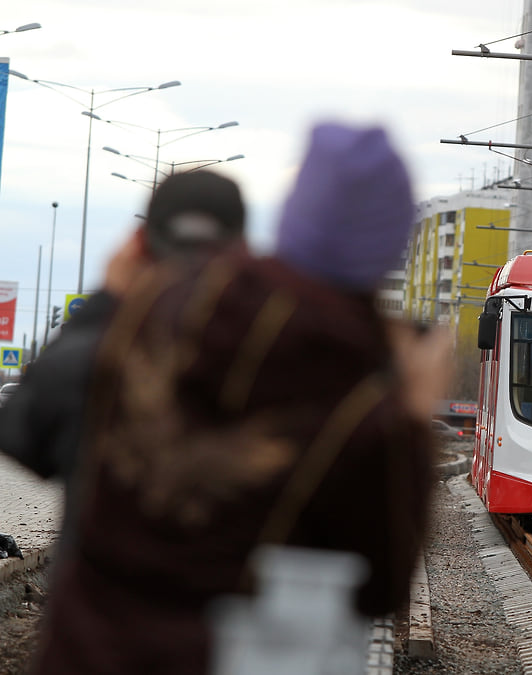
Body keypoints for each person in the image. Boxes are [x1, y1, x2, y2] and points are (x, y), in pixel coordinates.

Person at [27, 123, 440, 675]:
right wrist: (414, 422)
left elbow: (45, 433)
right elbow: (382, 584)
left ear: (295, 215)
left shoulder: (164, 302)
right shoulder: (369, 399)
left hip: (88, 652)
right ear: (388, 247)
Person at [0, 170, 246, 542]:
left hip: (100, 595)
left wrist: (107, 302)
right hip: (232, 596)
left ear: (140, 245)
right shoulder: (271, 359)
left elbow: (21, 436)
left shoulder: (95, 361)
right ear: (241, 249)